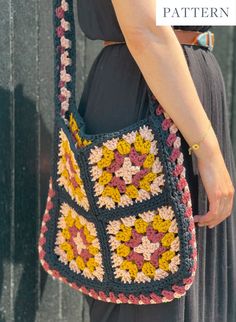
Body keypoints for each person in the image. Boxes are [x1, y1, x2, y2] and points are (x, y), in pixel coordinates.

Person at [77, 0, 236, 321]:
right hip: (148, 96)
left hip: (182, 90)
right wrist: (208, 151)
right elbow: (145, 28)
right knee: (151, 296)